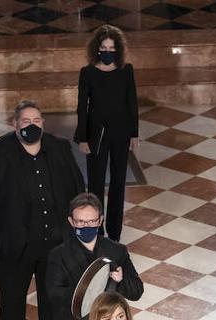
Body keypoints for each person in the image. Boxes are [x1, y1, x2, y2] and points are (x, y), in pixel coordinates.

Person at [0, 99, 84, 320]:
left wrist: (80, 228)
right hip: (13, 242)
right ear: (15, 125)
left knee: (52, 296)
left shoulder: (59, 149)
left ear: (43, 123)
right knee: (11, 297)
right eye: (26, 121)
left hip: (54, 241)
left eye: (36, 121)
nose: (31, 125)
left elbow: (78, 188)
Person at [75, 24, 139, 243]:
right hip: (97, 136)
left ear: (118, 50)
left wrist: (134, 134)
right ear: (97, 49)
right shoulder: (88, 73)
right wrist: (82, 137)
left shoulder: (126, 70)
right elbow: (82, 107)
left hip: (121, 134)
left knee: (118, 183)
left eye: (112, 48)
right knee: (95, 184)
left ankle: (115, 232)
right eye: (104, 48)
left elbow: (132, 103)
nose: (108, 52)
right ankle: (97, 229)